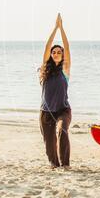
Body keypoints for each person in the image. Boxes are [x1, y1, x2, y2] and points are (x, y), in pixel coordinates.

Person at [39, 13, 72, 169]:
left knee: (62, 130)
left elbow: (67, 46)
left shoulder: (65, 69)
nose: (56, 54)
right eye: (54, 52)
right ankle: (55, 164)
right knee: (49, 143)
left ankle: (65, 164)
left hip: (62, 110)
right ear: (51, 55)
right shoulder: (45, 70)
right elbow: (47, 47)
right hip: (45, 112)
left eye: (59, 52)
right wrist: (54, 28)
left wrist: (61, 28)